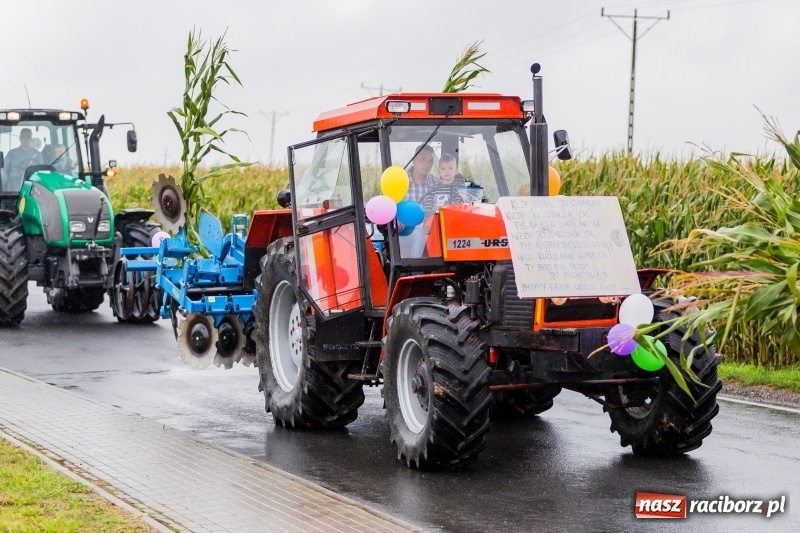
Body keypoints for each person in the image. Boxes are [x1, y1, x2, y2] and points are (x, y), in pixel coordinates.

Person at [399, 144, 440, 257]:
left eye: (430, 161)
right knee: (416, 233)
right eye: (423, 159)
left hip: (429, 230)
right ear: (413, 160)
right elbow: (388, 207)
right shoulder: (400, 182)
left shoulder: (436, 184)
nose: (427, 164)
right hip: (403, 230)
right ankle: (415, 272)